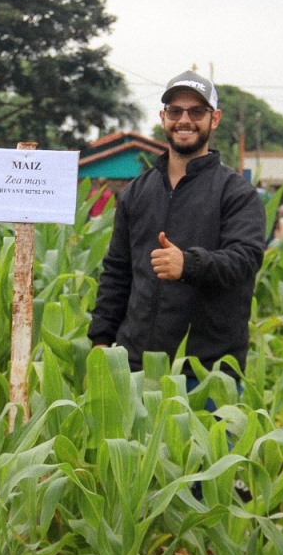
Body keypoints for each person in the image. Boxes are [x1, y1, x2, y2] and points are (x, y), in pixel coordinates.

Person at [88, 69, 266, 397]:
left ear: (215, 119)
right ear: (163, 118)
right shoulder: (136, 193)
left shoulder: (236, 193)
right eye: (175, 111)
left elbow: (246, 259)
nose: (185, 120)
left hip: (206, 374)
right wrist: (101, 338)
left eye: (196, 112)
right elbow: (117, 272)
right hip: (137, 370)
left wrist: (188, 264)